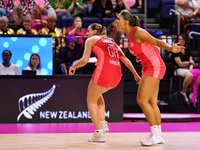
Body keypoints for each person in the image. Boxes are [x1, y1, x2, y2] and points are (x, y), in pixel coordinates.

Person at [115, 10, 185, 146]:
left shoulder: (137, 32)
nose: (116, 21)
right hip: (148, 67)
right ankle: (158, 134)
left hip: (154, 66)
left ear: (126, 21)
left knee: (141, 100)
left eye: (118, 18)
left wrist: (171, 48)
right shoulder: (129, 36)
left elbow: (156, 41)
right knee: (152, 103)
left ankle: (155, 135)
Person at [69, 23, 141, 142]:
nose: (86, 33)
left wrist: (73, 66)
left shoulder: (91, 40)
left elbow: (85, 60)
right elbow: (124, 58)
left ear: (95, 32)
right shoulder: (111, 40)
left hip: (104, 73)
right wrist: (135, 74)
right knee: (97, 95)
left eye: (88, 31)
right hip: (117, 76)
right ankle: (103, 125)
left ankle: (98, 133)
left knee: (90, 101)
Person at [171, 34, 197, 103]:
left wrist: (191, 69)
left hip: (187, 69)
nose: (181, 41)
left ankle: (192, 93)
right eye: (180, 39)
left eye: (183, 39)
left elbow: (191, 63)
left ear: (185, 41)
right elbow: (180, 63)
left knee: (198, 74)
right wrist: (189, 63)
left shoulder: (187, 50)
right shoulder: (175, 50)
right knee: (190, 75)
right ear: (177, 41)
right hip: (178, 69)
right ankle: (183, 92)